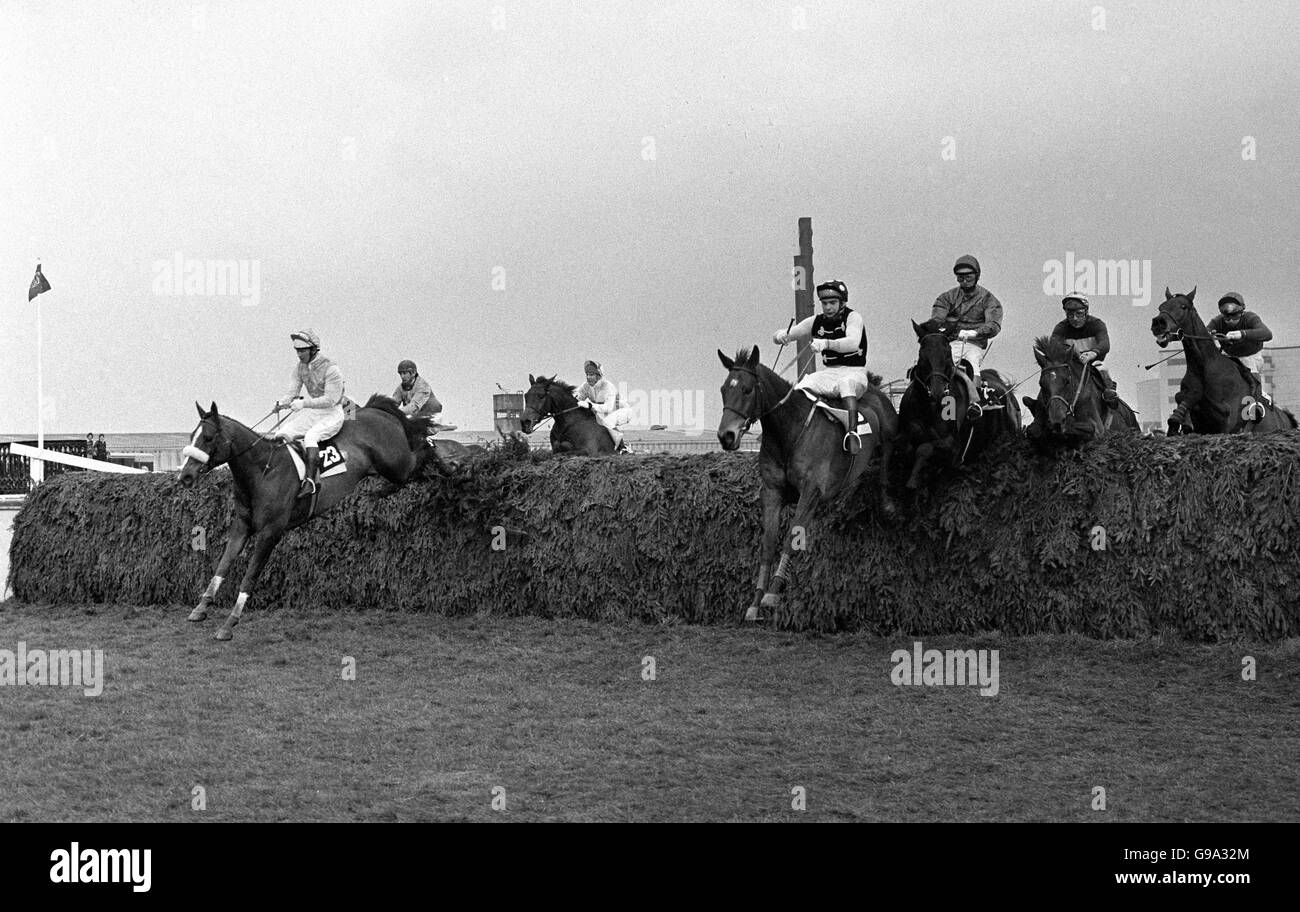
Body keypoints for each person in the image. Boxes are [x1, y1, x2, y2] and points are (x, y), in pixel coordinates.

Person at [772, 279, 870, 453]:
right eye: (824, 303)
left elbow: (853, 343)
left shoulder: (853, 317)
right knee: (802, 386)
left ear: (843, 302)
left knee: (845, 384)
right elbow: (793, 332)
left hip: (854, 373)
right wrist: (781, 335)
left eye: (832, 303)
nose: (828, 307)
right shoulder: (816, 321)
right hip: (830, 373)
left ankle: (852, 433)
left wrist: (826, 343)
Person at [928, 255, 1004, 418]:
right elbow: (937, 319)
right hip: (950, 341)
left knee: (972, 364)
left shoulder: (989, 299)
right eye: (960, 277)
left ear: (977, 276)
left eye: (968, 276)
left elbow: (994, 324)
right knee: (935, 364)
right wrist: (949, 330)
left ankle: (974, 402)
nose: (964, 280)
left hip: (974, 344)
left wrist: (976, 332)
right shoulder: (946, 297)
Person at [273, 329, 346, 497]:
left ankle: (310, 482)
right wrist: (281, 403)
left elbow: (331, 400)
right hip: (314, 413)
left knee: (311, 437)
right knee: (281, 433)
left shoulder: (331, 368)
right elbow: (292, 392)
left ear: (313, 350)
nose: (299, 354)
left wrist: (304, 403)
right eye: (297, 350)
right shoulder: (299, 368)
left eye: (302, 350)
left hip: (332, 413)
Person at [1208, 292, 1273, 417]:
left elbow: (1267, 333)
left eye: (1235, 316)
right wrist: (1211, 338)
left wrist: (1242, 334)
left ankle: (1256, 401)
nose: (1231, 320)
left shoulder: (1250, 318)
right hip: (1229, 356)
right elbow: (1204, 333)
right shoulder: (1217, 321)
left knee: (1248, 365)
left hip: (1251, 356)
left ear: (1242, 312)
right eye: (1227, 317)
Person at [1049, 294, 1119, 407]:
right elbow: (1053, 346)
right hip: (1070, 366)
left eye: (1079, 314)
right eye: (1070, 315)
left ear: (1086, 312)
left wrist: (1092, 354)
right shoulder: (1061, 327)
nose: (1075, 318)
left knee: (1102, 368)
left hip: (1093, 363)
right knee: (1051, 379)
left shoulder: (1097, 324)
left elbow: (1105, 344)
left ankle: (1110, 396)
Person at [576, 360, 634, 453]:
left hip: (622, 411)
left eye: (591, 375)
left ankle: (623, 448)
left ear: (598, 376)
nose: (588, 377)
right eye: (587, 374)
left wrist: (589, 405)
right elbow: (578, 397)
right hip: (604, 412)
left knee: (607, 421)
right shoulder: (586, 386)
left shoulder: (608, 387)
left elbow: (608, 408)